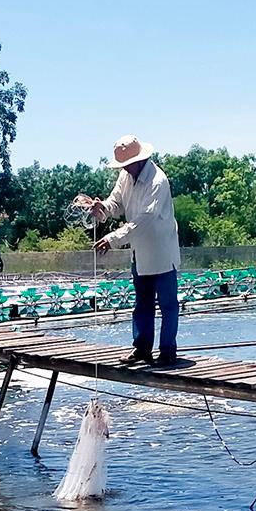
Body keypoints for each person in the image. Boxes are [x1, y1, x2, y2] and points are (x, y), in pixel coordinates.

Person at [85, 134, 182, 367]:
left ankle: (168, 351)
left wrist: (112, 238)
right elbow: (116, 204)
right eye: (123, 165)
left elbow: (143, 221)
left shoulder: (158, 181)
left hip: (162, 251)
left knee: (168, 305)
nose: (125, 168)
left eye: (127, 164)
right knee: (142, 304)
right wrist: (102, 209)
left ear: (140, 160)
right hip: (140, 252)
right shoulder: (125, 176)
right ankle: (141, 349)